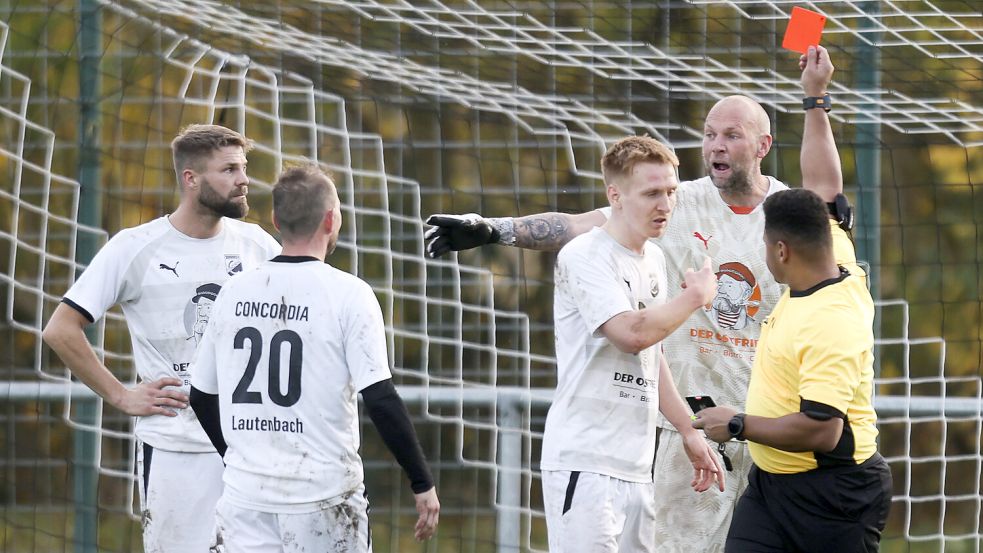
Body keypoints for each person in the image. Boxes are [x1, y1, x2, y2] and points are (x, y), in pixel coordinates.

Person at [425, 47, 842, 551]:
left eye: (731, 135)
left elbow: (826, 196)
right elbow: (582, 226)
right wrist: (496, 230)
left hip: (772, 429)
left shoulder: (786, 211)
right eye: (709, 134)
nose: (716, 144)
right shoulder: (673, 200)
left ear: (763, 146)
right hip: (695, 427)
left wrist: (815, 98)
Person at [41, 124, 281, 552]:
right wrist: (120, 395)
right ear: (191, 179)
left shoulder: (258, 247)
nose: (244, 179)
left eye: (244, 167)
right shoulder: (134, 247)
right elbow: (60, 329)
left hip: (254, 451)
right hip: (177, 450)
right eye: (229, 169)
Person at [188, 164, 440, 551]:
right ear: (330, 219)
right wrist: (421, 481)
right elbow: (380, 398)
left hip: (244, 500)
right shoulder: (349, 294)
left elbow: (202, 396)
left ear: (274, 219)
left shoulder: (233, 292)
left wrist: (240, 458)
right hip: (323, 498)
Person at [691, 118, 891, 550]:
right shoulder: (832, 254)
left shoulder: (830, 321)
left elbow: (822, 432)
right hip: (770, 489)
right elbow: (823, 185)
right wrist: (814, 100)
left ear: (781, 250)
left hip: (835, 497)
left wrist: (738, 424)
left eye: (765, 245)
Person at [541, 134, 724, 552]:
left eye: (671, 192)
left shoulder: (654, 258)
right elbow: (630, 334)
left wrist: (687, 430)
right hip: (585, 462)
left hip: (637, 466)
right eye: (652, 193)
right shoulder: (585, 254)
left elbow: (651, 353)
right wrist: (695, 297)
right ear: (615, 195)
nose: (665, 205)